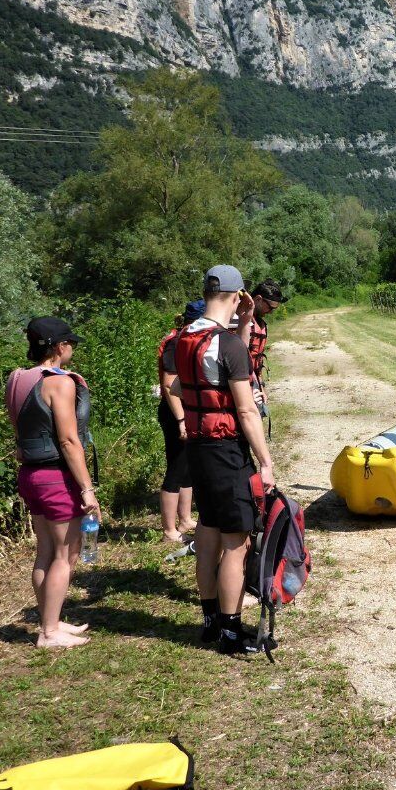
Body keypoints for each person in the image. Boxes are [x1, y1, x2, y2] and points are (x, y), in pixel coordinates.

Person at [171, 266, 275, 656]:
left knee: (208, 531)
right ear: (237, 296)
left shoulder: (185, 337)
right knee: (236, 541)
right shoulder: (227, 345)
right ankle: (231, 632)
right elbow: (246, 411)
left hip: (198, 448)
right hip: (226, 450)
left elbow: (178, 385)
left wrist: (244, 322)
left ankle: (211, 621)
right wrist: (265, 462)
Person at [5, 317, 102, 649]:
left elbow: (20, 432)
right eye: (70, 343)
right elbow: (69, 441)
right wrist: (87, 489)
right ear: (60, 346)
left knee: (45, 550)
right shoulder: (60, 383)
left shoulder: (18, 378)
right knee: (66, 554)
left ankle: (52, 618)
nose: (72, 348)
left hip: (31, 475)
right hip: (56, 477)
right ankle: (48, 632)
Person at [156, 300, 204, 542]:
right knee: (176, 468)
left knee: (188, 467)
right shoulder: (176, 343)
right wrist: (181, 420)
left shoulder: (185, 339)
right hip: (175, 413)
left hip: (187, 412)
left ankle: (184, 519)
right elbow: (168, 385)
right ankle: (168, 530)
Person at [242, 280, 288, 413]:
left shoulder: (260, 324)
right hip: (241, 384)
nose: (271, 312)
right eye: (270, 308)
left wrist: (261, 386)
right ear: (258, 299)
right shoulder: (240, 323)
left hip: (254, 382)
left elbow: (258, 361)